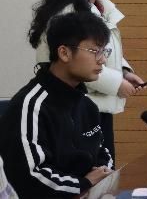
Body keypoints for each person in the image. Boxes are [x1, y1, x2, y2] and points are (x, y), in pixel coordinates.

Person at [28, 0, 147, 160]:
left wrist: (124, 72)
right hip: (75, 108)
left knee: (103, 168)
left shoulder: (100, 10)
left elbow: (104, 51)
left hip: (95, 107)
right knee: (86, 168)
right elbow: (79, 62)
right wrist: (116, 83)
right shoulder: (69, 16)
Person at [0, 11, 114, 197]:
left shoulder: (87, 106)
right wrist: (84, 183)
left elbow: (102, 153)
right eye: (95, 51)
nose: (103, 60)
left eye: (104, 51)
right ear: (64, 53)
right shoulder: (30, 106)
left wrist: (103, 174)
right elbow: (29, 176)